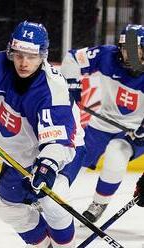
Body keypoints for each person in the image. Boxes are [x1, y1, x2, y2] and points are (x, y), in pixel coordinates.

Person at [0, 21, 86, 248]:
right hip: (23, 153)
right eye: (18, 54)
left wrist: (48, 164)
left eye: (31, 56)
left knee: (51, 201)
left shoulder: (52, 90)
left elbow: (57, 141)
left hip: (65, 148)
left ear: (43, 55)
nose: (23, 62)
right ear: (11, 50)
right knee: (8, 209)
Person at [61, 24, 144, 223]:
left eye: (136, 51)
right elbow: (72, 59)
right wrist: (72, 84)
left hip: (135, 131)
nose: (129, 56)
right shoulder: (107, 56)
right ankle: (50, 194)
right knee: (73, 155)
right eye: (125, 50)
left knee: (117, 154)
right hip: (103, 122)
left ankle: (99, 203)